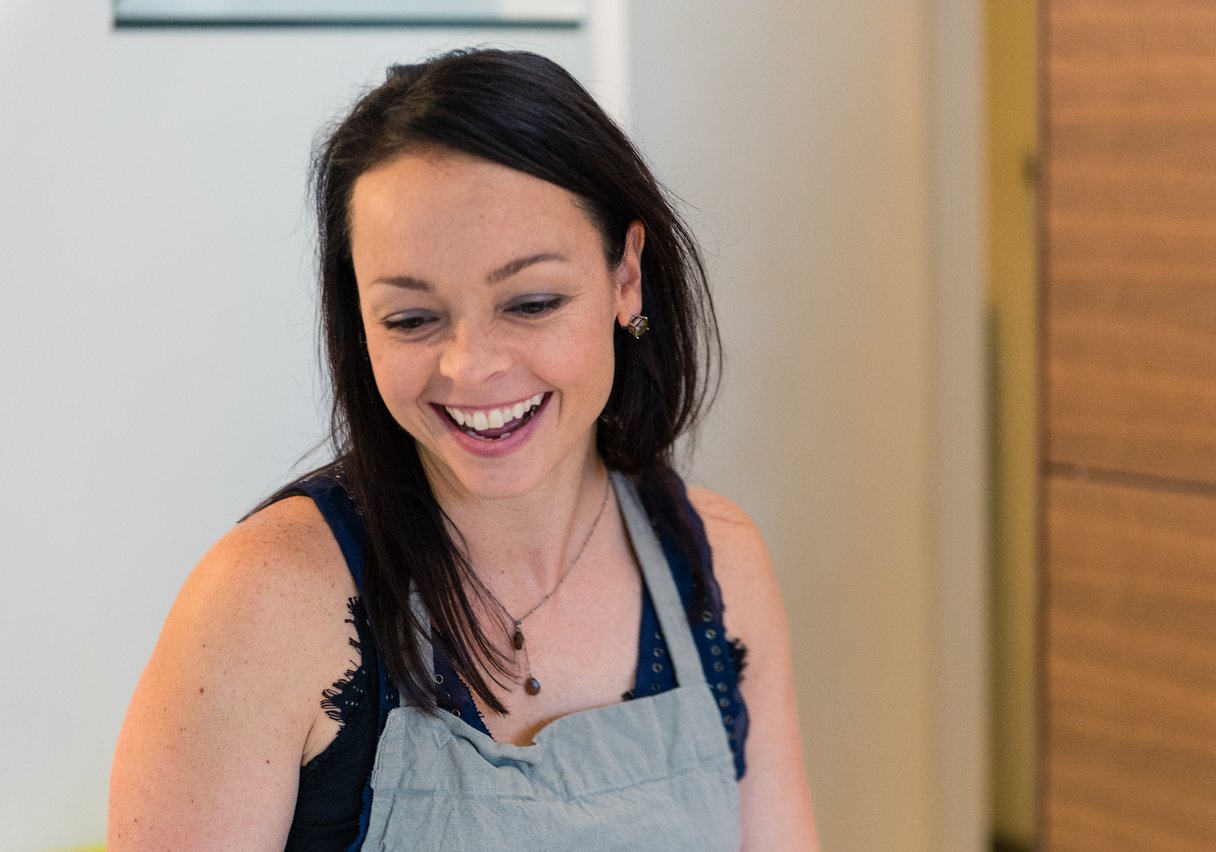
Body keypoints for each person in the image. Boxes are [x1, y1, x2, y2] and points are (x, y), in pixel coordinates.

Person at [109, 49, 818, 851]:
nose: (471, 367)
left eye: (531, 303)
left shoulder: (720, 564)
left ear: (626, 277)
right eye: (412, 319)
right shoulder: (264, 604)